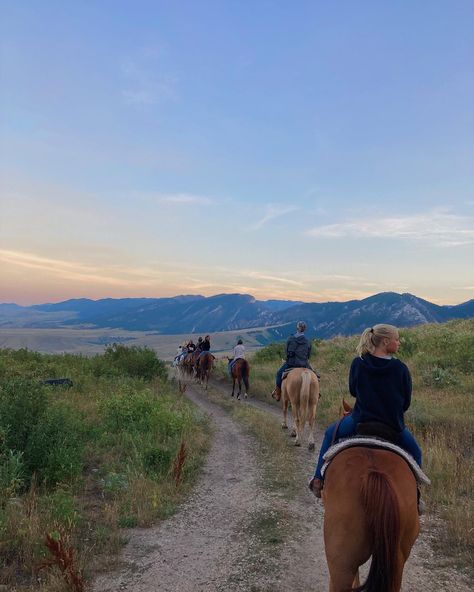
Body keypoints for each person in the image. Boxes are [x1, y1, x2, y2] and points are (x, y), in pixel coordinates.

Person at [309, 323, 423, 505]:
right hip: (393, 425)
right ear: (386, 342)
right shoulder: (401, 368)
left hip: (359, 421)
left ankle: (317, 479)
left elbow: (353, 391)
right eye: (397, 339)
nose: (399, 343)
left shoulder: (358, 363)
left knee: (330, 433)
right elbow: (406, 403)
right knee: (416, 453)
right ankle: (415, 498)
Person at [271, 321, 312, 399]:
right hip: (303, 364)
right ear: (305, 329)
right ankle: (317, 393)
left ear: (297, 328)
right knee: (315, 376)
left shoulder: (290, 339)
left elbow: (286, 352)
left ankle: (278, 393)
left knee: (279, 374)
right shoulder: (307, 341)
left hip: (291, 363)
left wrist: (287, 358)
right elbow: (309, 355)